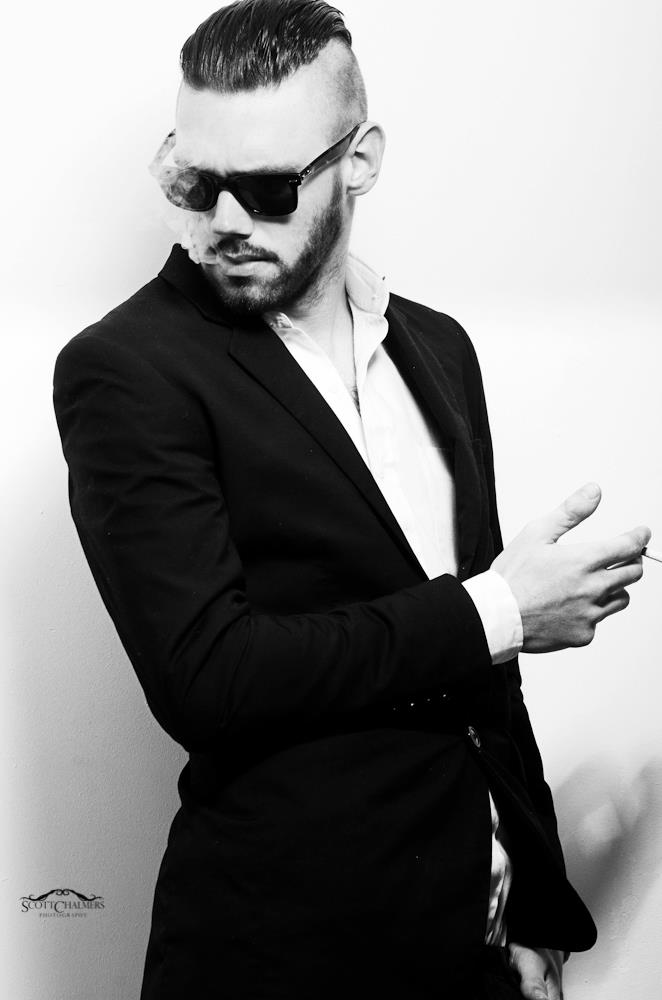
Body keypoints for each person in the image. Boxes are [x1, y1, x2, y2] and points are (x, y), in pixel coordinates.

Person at [52, 2, 650, 997]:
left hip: (483, 952)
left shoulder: (438, 348)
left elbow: (484, 686)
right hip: (287, 961)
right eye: (195, 182)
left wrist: (534, 910)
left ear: (360, 161)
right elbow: (209, 677)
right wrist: (502, 609)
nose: (224, 221)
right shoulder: (126, 369)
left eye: (267, 188)